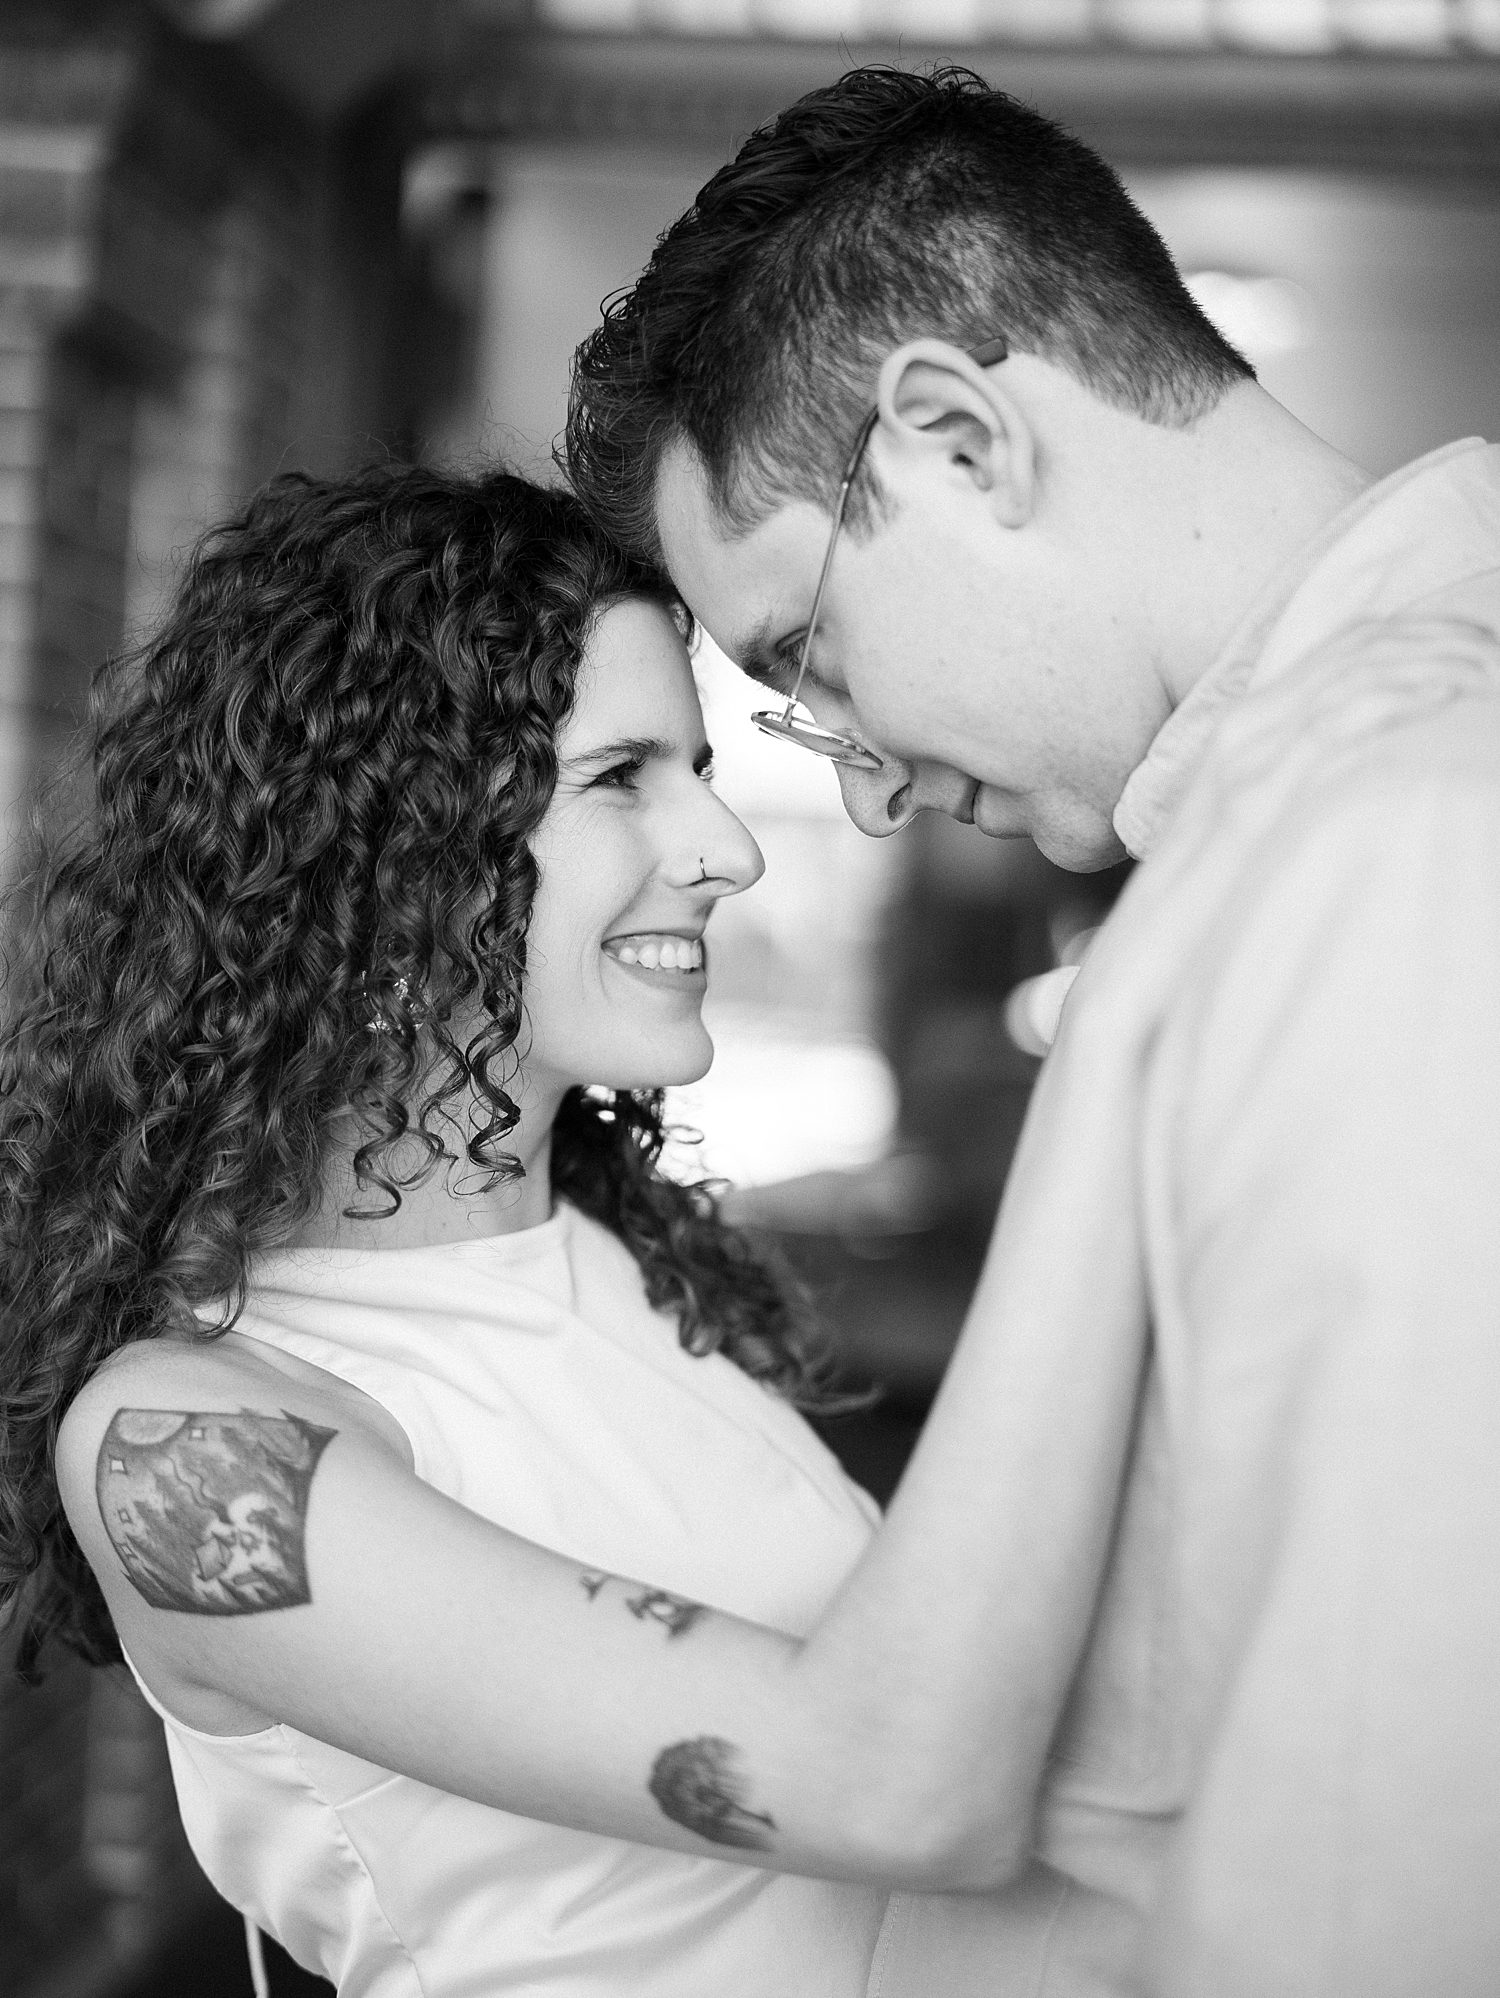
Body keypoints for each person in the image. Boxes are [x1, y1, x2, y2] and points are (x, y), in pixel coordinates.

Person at [563, 62, 1500, 1998]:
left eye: (807, 664)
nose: (874, 792)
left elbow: (1383, 1827)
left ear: (959, 437)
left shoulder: (1403, 818)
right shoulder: (1315, 808)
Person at [0, 462, 1147, 1998]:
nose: (728, 847)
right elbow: (896, 1783)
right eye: (621, 778)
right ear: (390, 858)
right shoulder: (187, 1440)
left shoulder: (616, 1253)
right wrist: (1116, 1093)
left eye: (698, 767)